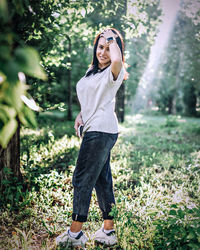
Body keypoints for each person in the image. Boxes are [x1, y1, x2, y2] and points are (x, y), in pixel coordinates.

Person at [56, 28, 126, 247]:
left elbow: (116, 58)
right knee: (101, 180)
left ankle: (75, 234)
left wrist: (111, 35)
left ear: (115, 49)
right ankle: (108, 230)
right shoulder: (93, 72)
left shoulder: (115, 70)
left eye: (108, 47)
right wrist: (81, 114)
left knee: (82, 178)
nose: (103, 52)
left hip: (100, 131)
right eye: (100, 46)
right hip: (97, 128)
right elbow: (92, 99)